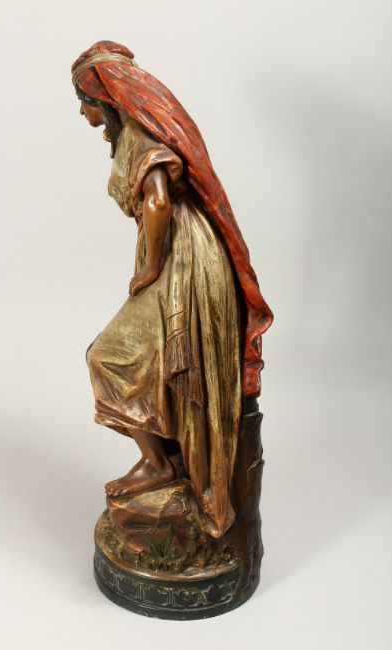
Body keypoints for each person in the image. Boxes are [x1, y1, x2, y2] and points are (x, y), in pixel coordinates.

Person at [72, 41, 273, 538]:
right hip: (180, 252)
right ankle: (163, 462)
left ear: (104, 101)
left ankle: (160, 464)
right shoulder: (132, 134)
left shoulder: (140, 137)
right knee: (152, 360)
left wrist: (151, 266)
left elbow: (158, 201)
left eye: (84, 102)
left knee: (107, 356)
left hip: (184, 260)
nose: (82, 113)